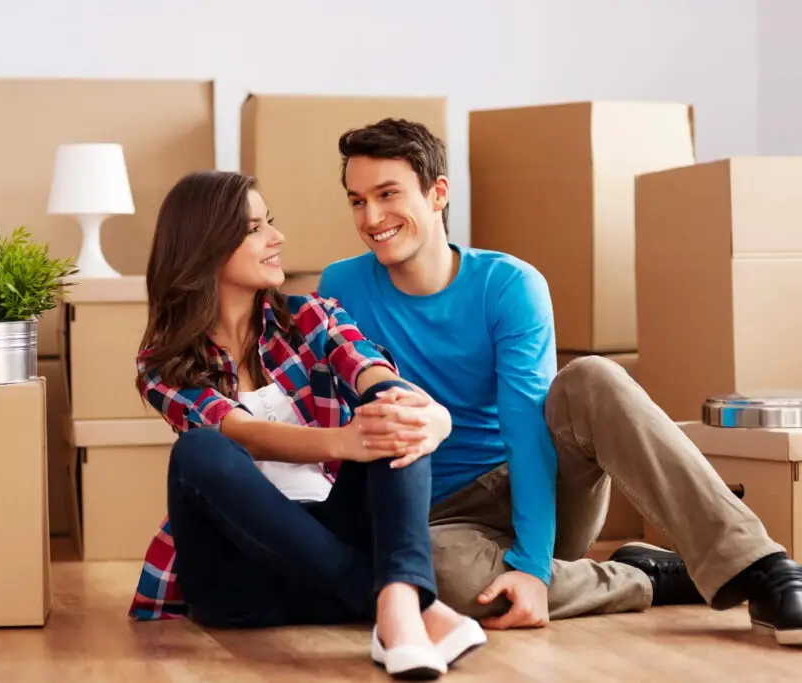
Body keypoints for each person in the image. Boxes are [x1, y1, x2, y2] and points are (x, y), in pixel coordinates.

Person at [316, 118, 802, 646]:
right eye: (357, 201)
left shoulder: (508, 285)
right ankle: (649, 577)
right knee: (429, 577)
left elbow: (528, 431)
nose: (372, 217)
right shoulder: (341, 285)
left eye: (388, 195)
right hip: (436, 520)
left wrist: (532, 564)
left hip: (538, 485)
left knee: (592, 378)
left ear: (438, 194)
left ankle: (759, 566)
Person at [126, 169, 489, 679]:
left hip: (330, 554)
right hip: (240, 586)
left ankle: (398, 606)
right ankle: (403, 603)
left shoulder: (312, 317)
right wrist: (344, 441)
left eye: (269, 223)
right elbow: (239, 431)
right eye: (255, 229)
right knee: (200, 451)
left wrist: (428, 416)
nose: (276, 238)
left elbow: (371, 371)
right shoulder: (163, 363)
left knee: (392, 409)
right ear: (206, 246)